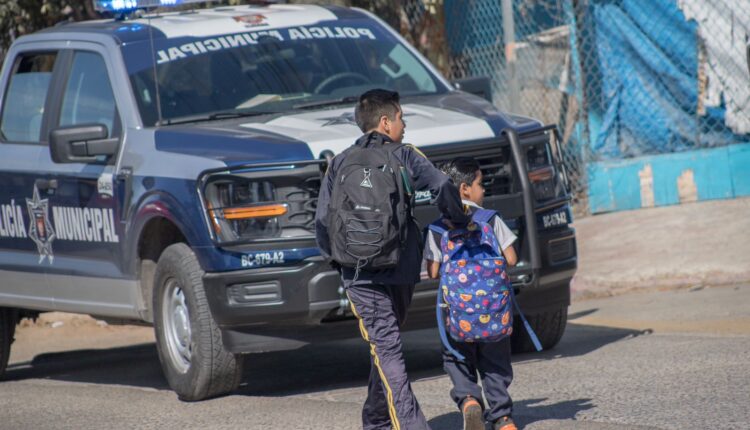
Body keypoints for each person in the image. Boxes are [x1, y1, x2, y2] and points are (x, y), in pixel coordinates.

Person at [315, 89, 470, 430]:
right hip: (400, 268)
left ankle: (375, 420)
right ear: (386, 122)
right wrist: (457, 219)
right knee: (388, 348)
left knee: (384, 348)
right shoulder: (405, 155)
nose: (404, 125)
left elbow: (324, 220)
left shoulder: (339, 161)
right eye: (402, 118)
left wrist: (339, 262)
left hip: (358, 275)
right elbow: (443, 183)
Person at [423, 157, 519, 430]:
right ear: (464, 189)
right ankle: (503, 418)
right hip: (494, 313)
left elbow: (432, 272)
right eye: (480, 184)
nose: (484, 190)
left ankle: (469, 400)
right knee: (495, 360)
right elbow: (511, 259)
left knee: (456, 355)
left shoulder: (438, 229)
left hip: (458, 313)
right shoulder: (491, 219)